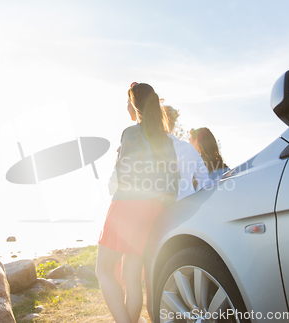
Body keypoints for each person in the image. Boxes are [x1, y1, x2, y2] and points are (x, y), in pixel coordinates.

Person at [97, 82, 179, 323]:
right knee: (132, 278)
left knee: (103, 271)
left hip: (128, 206)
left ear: (133, 106)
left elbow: (124, 172)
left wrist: (114, 185)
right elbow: (173, 182)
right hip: (153, 209)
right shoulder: (167, 140)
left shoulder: (131, 133)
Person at [162, 104, 209, 200]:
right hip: (188, 206)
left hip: (162, 208)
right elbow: (205, 181)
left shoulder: (153, 147)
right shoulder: (189, 148)